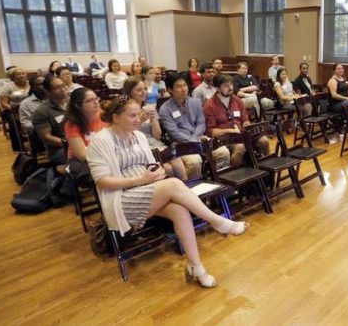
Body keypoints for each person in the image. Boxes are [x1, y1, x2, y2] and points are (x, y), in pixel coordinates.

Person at [86, 96, 248, 288]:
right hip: (121, 199)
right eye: (132, 115)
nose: (138, 119)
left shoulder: (138, 136)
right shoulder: (100, 141)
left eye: (138, 114)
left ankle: (196, 267)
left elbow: (151, 164)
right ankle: (218, 221)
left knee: (180, 210)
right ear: (115, 117)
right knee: (173, 184)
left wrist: (157, 170)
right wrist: (141, 179)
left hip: (146, 190)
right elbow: (102, 181)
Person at [159, 73, 230, 177]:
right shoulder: (165, 109)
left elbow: (201, 123)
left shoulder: (195, 102)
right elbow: (174, 132)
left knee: (223, 152)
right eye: (179, 87)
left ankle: (220, 181)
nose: (183, 89)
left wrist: (195, 138)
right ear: (170, 90)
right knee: (195, 162)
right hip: (180, 143)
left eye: (184, 85)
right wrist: (192, 141)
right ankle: (194, 188)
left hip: (199, 138)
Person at [124, 78, 187, 180]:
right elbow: (126, 134)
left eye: (144, 89)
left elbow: (157, 136)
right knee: (168, 168)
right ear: (130, 92)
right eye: (139, 90)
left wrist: (153, 120)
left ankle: (187, 190)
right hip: (137, 146)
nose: (144, 92)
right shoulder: (125, 110)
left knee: (176, 160)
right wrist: (140, 120)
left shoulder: (149, 108)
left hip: (155, 143)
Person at [205, 74, 270, 167]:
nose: (230, 88)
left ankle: (266, 172)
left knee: (264, 140)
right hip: (223, 139)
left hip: (241, 135)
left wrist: (248, 126)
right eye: (226, 86)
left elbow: (245, 120)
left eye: (231, 84)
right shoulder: (210, 105)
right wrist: (229, 131)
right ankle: (233, 176)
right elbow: (210, 131)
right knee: (240, 147)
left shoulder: (237, 100)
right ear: (217, 88)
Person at [64, 88, 107, 185]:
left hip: (105, 155)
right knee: (105, 174)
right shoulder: (72, 124)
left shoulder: (103, 115)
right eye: (89, 101)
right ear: (78, 106)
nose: (96, 102)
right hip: (83, 161)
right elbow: (82, 155)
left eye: (96, 98)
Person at [32, 75, 69, 166]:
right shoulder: (42, 111)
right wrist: (68, 144)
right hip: (59, 150)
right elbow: (46, 137)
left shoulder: (73, 103)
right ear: (48, 91)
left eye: (63, 85)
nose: (63, 89)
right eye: (57, 87)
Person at [0, 67, 30, 152]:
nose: (21, 76)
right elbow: (3, 103)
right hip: (12, 109)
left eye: (23, 74)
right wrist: (14, 109)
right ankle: (17, 146)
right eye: (18, 74)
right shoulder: (8, 87)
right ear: (13, 77)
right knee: (14, 121)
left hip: (29, 108)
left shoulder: (30, 84)